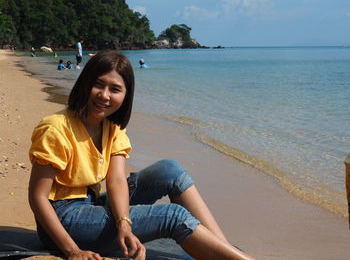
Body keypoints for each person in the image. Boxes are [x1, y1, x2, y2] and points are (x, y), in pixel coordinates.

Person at [28, 50, 256, 260]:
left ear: (126, 95)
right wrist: (72, 250)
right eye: (98, 85)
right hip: (63, 220)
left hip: (91, 204)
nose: (104, 95)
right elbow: (38, 197)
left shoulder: (112, 127)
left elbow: (116, 180)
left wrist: (124, 224)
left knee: (170, 170)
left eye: (115, 89)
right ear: (85, 83)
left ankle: (222, 248)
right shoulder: (56, 129)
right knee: (172, 216)